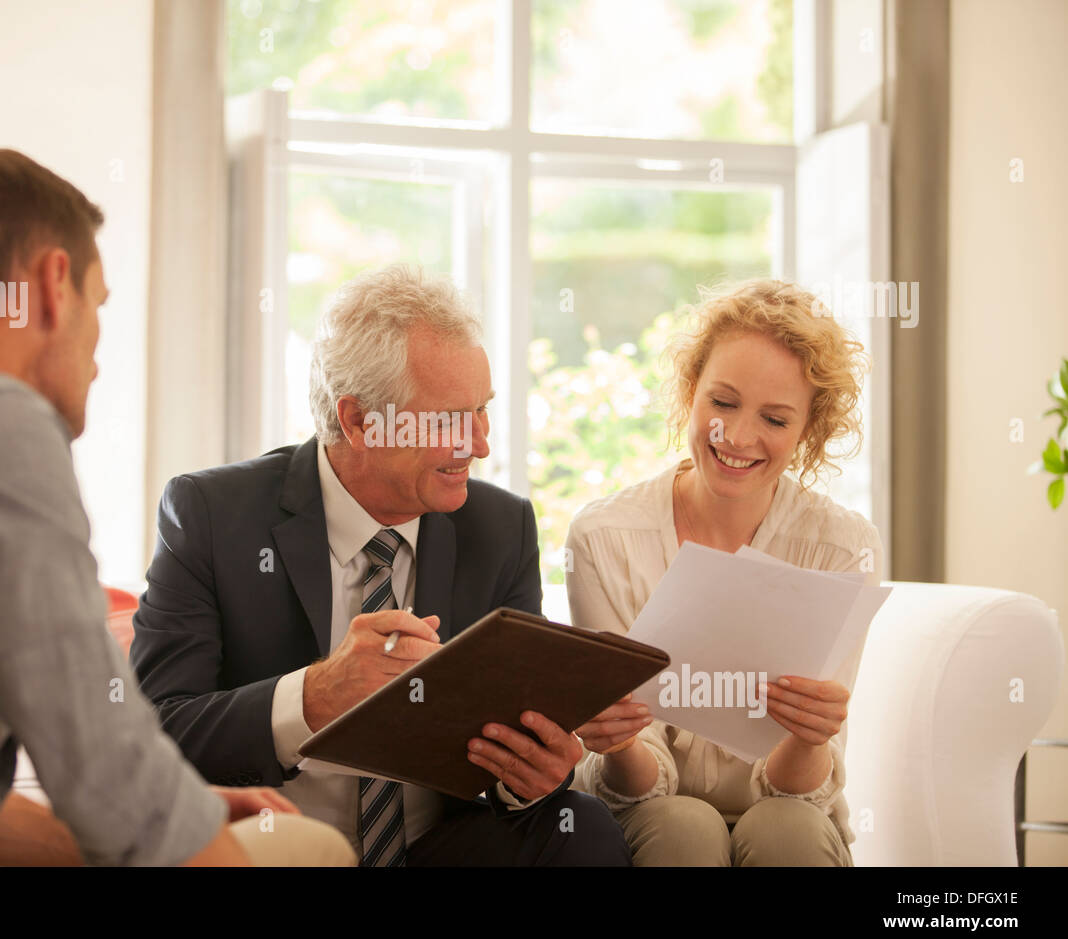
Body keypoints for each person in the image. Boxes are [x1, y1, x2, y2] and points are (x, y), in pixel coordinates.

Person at [0, 148, 353, 867]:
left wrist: (186, 811)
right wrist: (190, 839)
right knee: (307, 851)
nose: (98, 353)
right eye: (97, 305)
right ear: (52, 284)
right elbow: (97, 755)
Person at [131, 264, 630, 866]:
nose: (478, 443)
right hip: (274, 846)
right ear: (359, 421)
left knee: (580, 822)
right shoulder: (212, 514)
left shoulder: (500, 529)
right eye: (449, 418)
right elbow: (156, 731)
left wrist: (527, 776)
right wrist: (313, 696)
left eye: (482, 410)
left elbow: (514, 742)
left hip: (434, 849)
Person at [566, 279, 884, 866]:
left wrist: (811, 735)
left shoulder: (842, 548)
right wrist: (620, 742)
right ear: (691, 391)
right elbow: (632, 783)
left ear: (808, 431)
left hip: (789, 816)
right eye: (723, 402)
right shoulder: (604, 539)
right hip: (645, 816)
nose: (737, 437)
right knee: (682, 826)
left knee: (785, 828)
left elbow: (799, 792)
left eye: (776, 418)